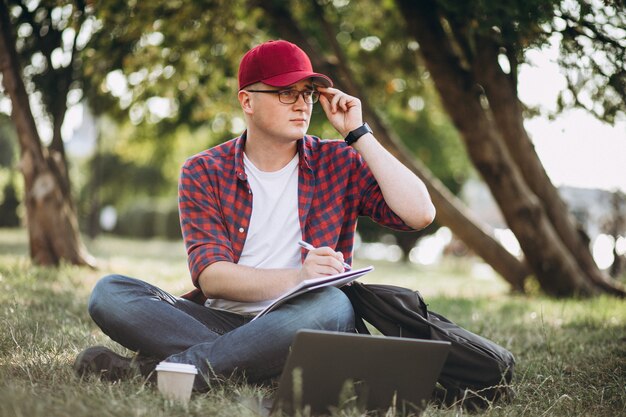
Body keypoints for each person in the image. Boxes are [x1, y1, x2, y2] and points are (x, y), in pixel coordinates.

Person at [74, 40, 435, 389]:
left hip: (303, 321)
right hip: (220, 322)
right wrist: (299, 276)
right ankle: (261, 365)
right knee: (110, 293)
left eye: (307, 93)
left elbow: (419, 214)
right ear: (247, 100)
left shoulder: (338, 161)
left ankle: (171, 372)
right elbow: (212, 278)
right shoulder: (203, 171)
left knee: (333, 304)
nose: (302, 105)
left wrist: (359, 134)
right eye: (286, 93)